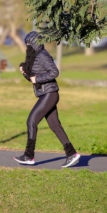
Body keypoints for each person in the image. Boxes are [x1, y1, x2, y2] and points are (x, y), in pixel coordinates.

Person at [13, 31, 80, 168]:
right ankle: (71, 154)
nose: (27, 46)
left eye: (29, 44)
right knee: (55, 125)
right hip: (45, 93)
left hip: (50, 93)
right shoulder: (34, 57)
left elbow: (54, 72)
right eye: (26, 44)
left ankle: (29, 155)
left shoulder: (43, 56)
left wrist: (37, 78)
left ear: (35, 44)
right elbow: (33, 79)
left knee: (31, 121)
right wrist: (25, 73)